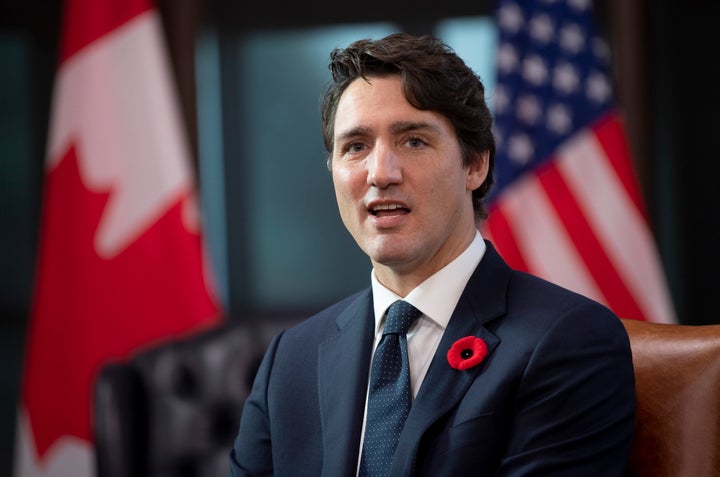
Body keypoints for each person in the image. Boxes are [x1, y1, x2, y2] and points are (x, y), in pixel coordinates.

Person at [228, 32, 635, 476]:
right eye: (356, 147)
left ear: (475, 164)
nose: (380, 173)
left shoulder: (571, 340)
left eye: (413, 141)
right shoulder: (291, 360)